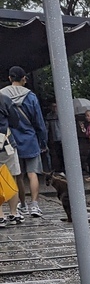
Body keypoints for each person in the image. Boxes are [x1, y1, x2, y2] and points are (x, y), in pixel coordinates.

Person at [0, 65, 47, 218]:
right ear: (23, 79)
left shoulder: (2, 95)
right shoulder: (31, 96)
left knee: (17, 175)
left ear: (10, 78)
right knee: (32, 173)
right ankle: (35, 205)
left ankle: (23, 205)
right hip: (30, 139)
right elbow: (39, 121)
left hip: (10, 140)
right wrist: (43, 141)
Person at [0, 92, 24, 226]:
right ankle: (14, 213)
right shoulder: (4, 99)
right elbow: (15, 121)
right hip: (5, 143)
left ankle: (0, 215)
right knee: (10, 178)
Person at [46, 101, 64, 175]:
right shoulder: (49, 116)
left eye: (55, 106)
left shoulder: (61, 115)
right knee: (58, 154)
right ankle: (60, 169)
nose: (54, 108)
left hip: (62, 137)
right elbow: (47, 128)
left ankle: (64, 169)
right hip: (54, 138)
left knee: (63, 154)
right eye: (53, 106)